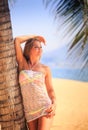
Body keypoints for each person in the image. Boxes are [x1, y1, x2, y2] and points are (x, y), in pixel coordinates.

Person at [14, 35, 56, 130]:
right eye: (36, 47)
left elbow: (50, 90)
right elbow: (17, 40)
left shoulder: (45, 68)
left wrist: (54, 103)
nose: (39, 49)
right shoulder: (22, 63)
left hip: (44, 107)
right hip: (29, 111)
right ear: (29, 49)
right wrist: (35, 36)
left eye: (41, 47)